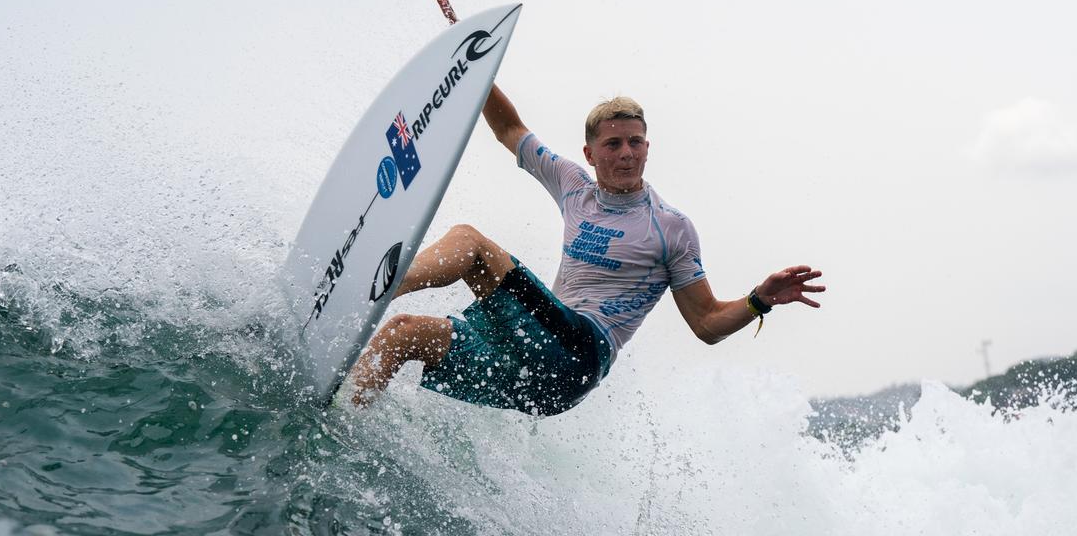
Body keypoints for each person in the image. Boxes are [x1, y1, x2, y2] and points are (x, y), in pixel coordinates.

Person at [348, 85, 825, 415]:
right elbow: (509, 130)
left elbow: (706, 324)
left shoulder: (671, 228)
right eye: (613, 143)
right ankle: (340, 425)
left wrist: (759, 299)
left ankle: (369, 288)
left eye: (635, 142)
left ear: (647, 147)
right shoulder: (573, 185)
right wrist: (478, 67)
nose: (626, 153)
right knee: (402, 334)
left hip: (580, 355)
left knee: (471, 244)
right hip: (531, 365)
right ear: (591, 153)